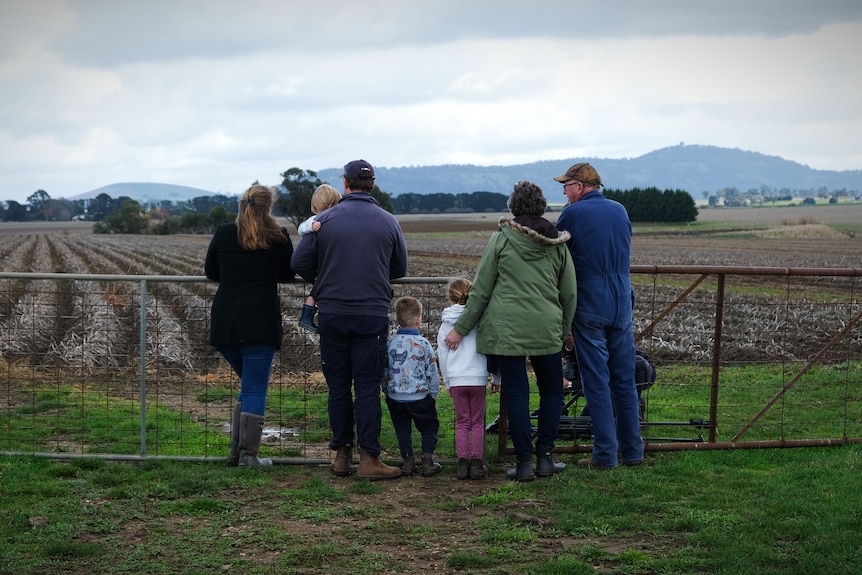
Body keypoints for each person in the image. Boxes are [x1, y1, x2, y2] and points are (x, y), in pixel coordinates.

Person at [443, 181, 577, 482]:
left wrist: (460, 329)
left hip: (506, 330)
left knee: (517, 391)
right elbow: (569, 293)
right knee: (552, 390)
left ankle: (524, 463)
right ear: (542, 206)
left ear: (512, 207)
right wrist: (564, 329)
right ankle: (545, 458)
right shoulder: (557, 243)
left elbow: (481, 290)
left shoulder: (501, 239)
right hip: (546, 327)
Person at [291, 159, 408, 480]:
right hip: (371, 314)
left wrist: (327, 275)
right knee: (368, 387)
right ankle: (369, 459)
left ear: (346, 183)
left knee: (338, 386)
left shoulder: (324, 221)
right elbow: (399, 269)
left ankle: (341, 456)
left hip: (332, 313)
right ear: (372, 184)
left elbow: (299, 260)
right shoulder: (388, 221)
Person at [554, 162, 645, 470]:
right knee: (625, 381)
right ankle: (633, 451)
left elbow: (558, 258)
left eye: (566, 186)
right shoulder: (620, 210)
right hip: (621, 302)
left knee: (596, 381)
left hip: (589, 304)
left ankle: (604, 454)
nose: (564, 192)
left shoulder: (572, 214)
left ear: (580, 186)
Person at [205, 184, 295, 468]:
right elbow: (287, 274)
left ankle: (236, 452)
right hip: (259, 321)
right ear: (269, 207)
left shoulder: (223, 232)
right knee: (255, 388)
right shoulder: (278, 237)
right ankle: (249, 456)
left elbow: (211, 271)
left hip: (226, 321)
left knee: (249, 386)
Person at [437, 277, 498, 480]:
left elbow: (443, 354)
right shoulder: (480, 320)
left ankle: (462, 464)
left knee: (462, 422)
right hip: (477, 377)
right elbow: (491, 348)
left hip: (457, 378)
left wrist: (447, 379)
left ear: (450, 299)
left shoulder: (446, 324)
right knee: (478, 422)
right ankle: (477, 464)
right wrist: (496, 377)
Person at [382, 296, 442, 477]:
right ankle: (427, 461)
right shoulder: (423, 344)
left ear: (397, 320)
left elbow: (385, 369)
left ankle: (407, 461)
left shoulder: (390, 343)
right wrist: (433, 393)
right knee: (429, 427)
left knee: (402, 428)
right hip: (420, 397)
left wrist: (386, 390)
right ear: (419, 320)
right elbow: (431, 370)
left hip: (395, 396)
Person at [297, 184, 342, 333]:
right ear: (331, 206)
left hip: (322, 265)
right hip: (321, 265)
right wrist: (312, 226)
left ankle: (307, 316)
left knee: (315, 291)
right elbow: (301, 228)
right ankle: (306, 316)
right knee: (316, 290)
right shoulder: (315, 220)